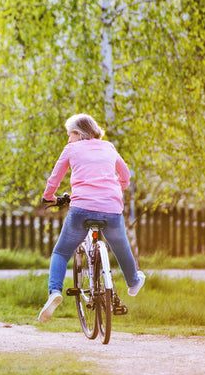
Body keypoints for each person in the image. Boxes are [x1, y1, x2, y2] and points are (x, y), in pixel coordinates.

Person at [37, 113, 145, 323]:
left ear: (78, 133)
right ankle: (133, 282)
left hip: (81, 209)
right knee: (121, 248)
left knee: (60, 252)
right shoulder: (109, 147)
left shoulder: (71, 149)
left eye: (70, 134)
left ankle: (55, 292)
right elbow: (126, 176)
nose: (68, 139)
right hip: (111, 209)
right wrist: (116, 190)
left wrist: (49, 198)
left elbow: (55, 178)